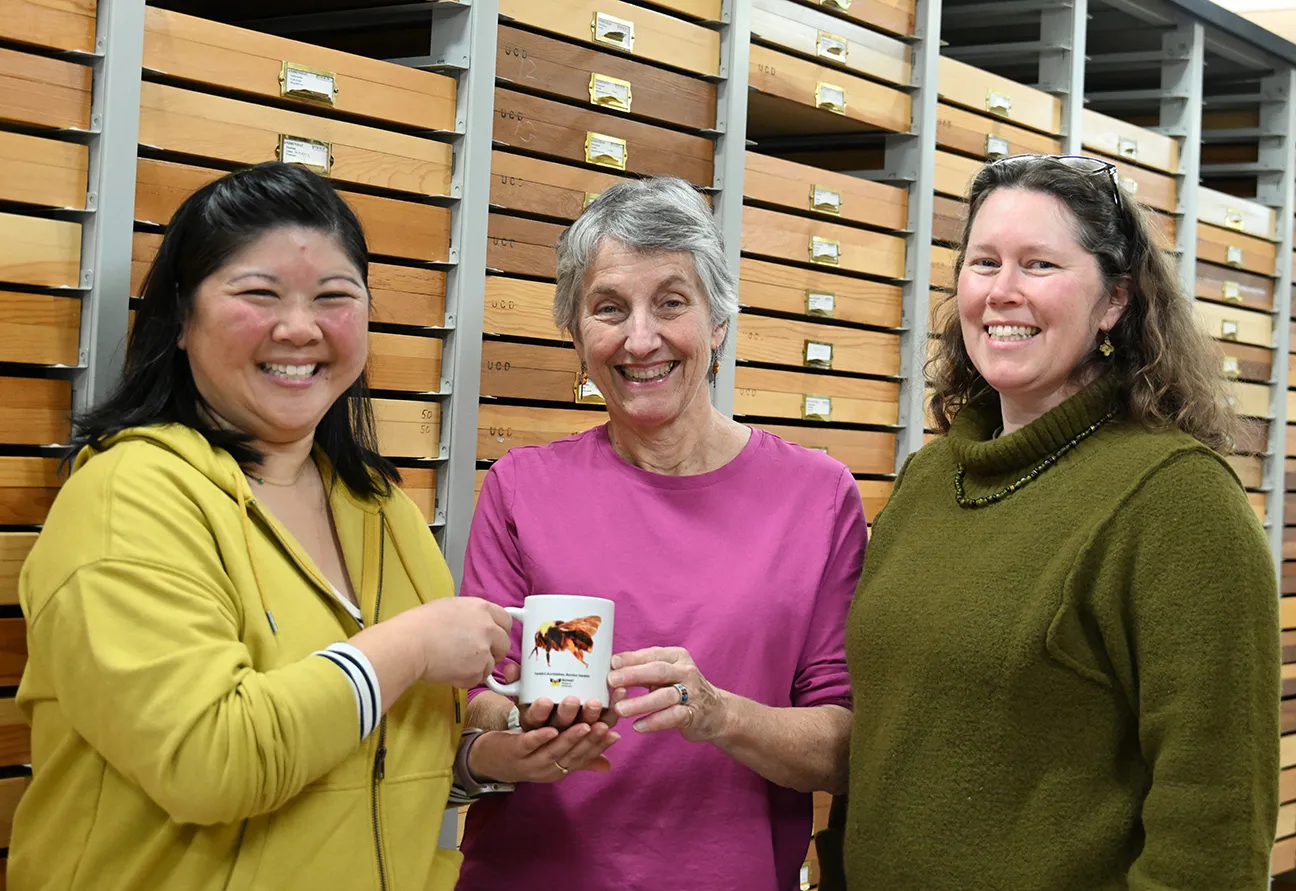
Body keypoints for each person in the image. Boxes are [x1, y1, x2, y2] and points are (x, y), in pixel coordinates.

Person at [9, 162, 582, 891]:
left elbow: (369, 756)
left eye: (334, 297)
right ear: (181, 320)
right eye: (259, 294)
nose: (300, 328)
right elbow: (211, 763)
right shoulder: (127, 499)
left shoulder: (380, 508)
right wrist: (407, 646)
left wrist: (481, 754)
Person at [840, 155, 1280, 889]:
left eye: (1039, 264)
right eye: (984, 263)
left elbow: (1216, 820)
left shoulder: (1177, 503)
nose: (1002, 292)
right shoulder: (930, 479)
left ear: (1114, 300)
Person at [453, 175, 868, 891]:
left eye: (671, 303)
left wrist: (717, 713)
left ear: (717, 322)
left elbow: (845, 743)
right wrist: (525, 717)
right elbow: (471, 704)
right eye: (608, 308)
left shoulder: (818, 495)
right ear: (577, 335)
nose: (640, 338)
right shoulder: (522, 487)